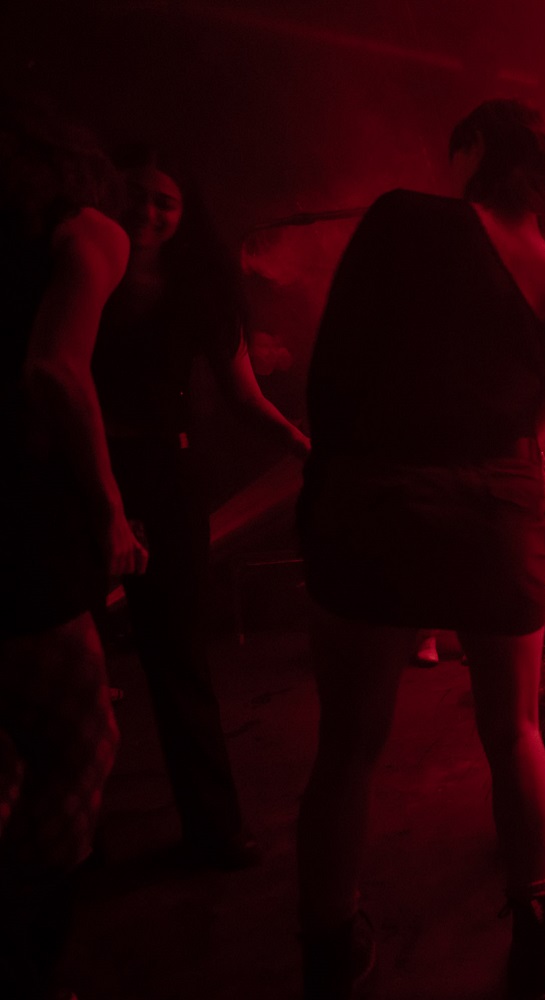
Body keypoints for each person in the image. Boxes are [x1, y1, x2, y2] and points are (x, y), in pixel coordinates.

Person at [295, 98, 545, 999]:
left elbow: (332, 366)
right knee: (515, 729)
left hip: (380, 495)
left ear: (474, 155)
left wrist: (339, 478)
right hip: (494, 505)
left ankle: (330, 940)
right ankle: (536, 930)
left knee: (349, 744)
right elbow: (537, 428)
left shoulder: (402, 220)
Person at [91, 147, 310, 869]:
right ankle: (66, 834)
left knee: (178, 655)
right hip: (82, 470)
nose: (149, 212)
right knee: (70, 654)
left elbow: (244, 394)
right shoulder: (80, 269)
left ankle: (214, 829)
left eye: (166, 202)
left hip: (166, 473)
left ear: (186, 216)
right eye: (139, 195)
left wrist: (299, 443)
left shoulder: (200, 290)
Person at [0, 102, 142, 1000]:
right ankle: (28, 968)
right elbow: (55, 368)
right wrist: (111, 512)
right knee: (81, 744)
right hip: (21, 523)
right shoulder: (89, 230)